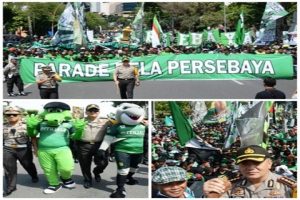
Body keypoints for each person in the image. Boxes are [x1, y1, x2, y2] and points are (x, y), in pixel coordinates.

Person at [203, 145, 295, 198]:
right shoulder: (229, 186)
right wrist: (210, 195)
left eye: (256, 162)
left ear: (269, 163)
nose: (250, 167)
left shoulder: (289, 186)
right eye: (245, 163)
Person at [3, 106, 39, 197]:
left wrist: (35, 149)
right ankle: (11, 187)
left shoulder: (26, 124)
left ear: (19, 115)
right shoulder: (3, 125)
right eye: (8, 115)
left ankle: (34, 175)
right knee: (9, 168)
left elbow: (33, 137)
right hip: (8, 149)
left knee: (28, 165)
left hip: (23, 149)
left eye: (14, 114)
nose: (11, 116)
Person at [76, 104, 111, 189]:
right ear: (86, 112)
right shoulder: (79, 121)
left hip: (99, 145)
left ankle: (96, 172)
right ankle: (88, 180)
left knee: (103, 163)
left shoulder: (106, 121)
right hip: (84, 145)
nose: (93, 112)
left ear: (99, 112)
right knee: (85, 164)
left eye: (95, 110)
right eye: (90, 110)